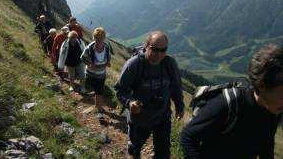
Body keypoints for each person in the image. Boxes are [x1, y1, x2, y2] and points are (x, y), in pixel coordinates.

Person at [180, 44, 283, 159]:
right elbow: (188, 137)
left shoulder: (273, 111)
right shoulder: (228, 104)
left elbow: (266, 145)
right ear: (262, 85)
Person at [114, 31, 185, 159]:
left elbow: (176, 87)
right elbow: (120, 90)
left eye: (163, 50)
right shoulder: (134, 65)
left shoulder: (169, 64)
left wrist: (180, 106)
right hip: (139, 119)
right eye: (155, 49)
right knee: (134, 151)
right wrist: (130, 103)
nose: (159, 54)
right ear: (146, 46)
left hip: (163, 117)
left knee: (163, 154)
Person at [81, 27, 111, 114]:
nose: (99, 40)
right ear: (94, 38)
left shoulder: (106, 46)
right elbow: (82, 58)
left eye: (101, 38)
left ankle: (98, 107)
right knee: (97, 91)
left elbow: (108, 56)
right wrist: (89, 64)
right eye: (97, 38)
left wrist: (108, 62)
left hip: (101, 74)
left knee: (99, 91)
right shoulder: (90, 47)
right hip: (91, 74)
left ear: (104, 38)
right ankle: (98, 107)